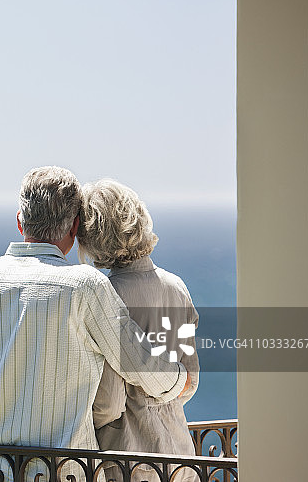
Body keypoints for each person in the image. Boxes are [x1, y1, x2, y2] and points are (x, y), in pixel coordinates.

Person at [0, 166, 190, 482]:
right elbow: (138, 363)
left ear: (20, 220)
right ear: (75, 227)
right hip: (65, 472)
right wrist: (178, 380)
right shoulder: (85, 286)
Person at [79, 179, 199, 482]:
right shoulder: (177, 287)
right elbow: (190, 381)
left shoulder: (106, 295)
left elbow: (108, 402)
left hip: (129, 457)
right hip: (181, 453)